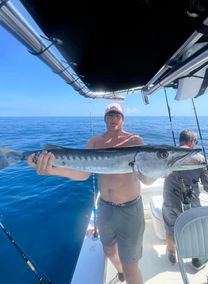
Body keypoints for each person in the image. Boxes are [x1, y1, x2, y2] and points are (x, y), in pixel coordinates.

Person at [28, 103, 155, 284]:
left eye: (117, 115)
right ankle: (120, 272)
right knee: (109, 251)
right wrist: (51, 170)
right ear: (105, 119)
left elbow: (147, 179)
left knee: (131, 265)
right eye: (109, 116)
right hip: (105, 207)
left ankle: (126, 272)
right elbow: (83, 173)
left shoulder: (135, 140)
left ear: (123, 118)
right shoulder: (95, 142)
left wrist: (162, 169)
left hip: (130, 209)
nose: (113, 119)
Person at [162, 129, 208, 270]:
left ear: (180, 141)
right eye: (195, 142)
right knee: (194, 230)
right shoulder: (201, 159)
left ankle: (172, 253)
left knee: (170, 228)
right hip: (192, 202)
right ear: (192, 142)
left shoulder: (168, 157)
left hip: (170, 200)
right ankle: (196, 260)